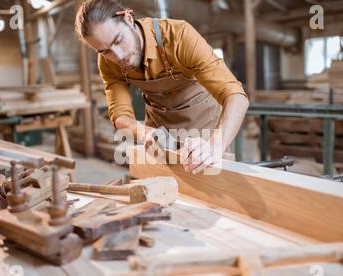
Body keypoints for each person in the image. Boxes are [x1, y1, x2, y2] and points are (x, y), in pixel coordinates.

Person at [75, 0, 249, 174]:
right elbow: (120, 115)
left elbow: (236, 96)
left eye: (119, 41)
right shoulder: (108, 62)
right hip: (159, 135)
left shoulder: (179, 36)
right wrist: (145, 133)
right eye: (105, 51)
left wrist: (214, 146)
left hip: (204, 129)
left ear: (128, 19)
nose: (119, 56)